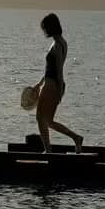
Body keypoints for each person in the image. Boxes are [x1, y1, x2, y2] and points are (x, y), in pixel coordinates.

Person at [33, 13, 84, 153]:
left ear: (51, 27)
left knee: (40, 118)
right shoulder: (60, 42)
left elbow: (59, 69)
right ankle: (76, 138)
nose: (44, 31)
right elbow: (50, 69)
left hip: (52, 86)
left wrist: (60, 89)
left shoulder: (58, 45)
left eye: (45, 28)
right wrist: (39, 83)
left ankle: (48, 150)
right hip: (50, 83)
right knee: (48, 120)